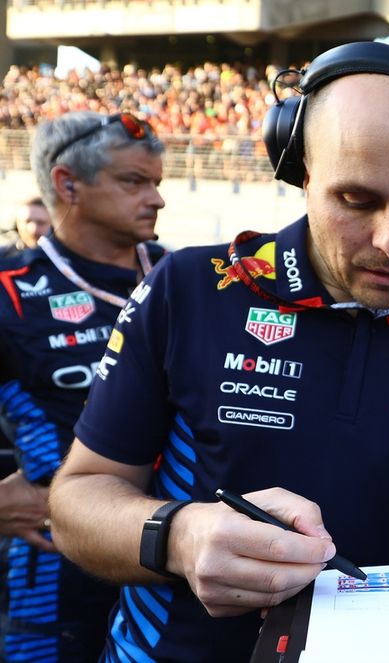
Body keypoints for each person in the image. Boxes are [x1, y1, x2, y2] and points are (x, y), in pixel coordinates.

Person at [47, 41, 389, 662]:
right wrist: (180, 537)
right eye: (357, 200)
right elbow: (76, 502)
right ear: (303, 175)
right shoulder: (188, 288)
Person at [0, 110, 166, 662]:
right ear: (68, 183)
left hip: (179, 556)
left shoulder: (190, 278)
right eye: (133, 182)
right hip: (57, 575)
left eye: (157, 183)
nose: (157, 199)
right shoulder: (11, 292)